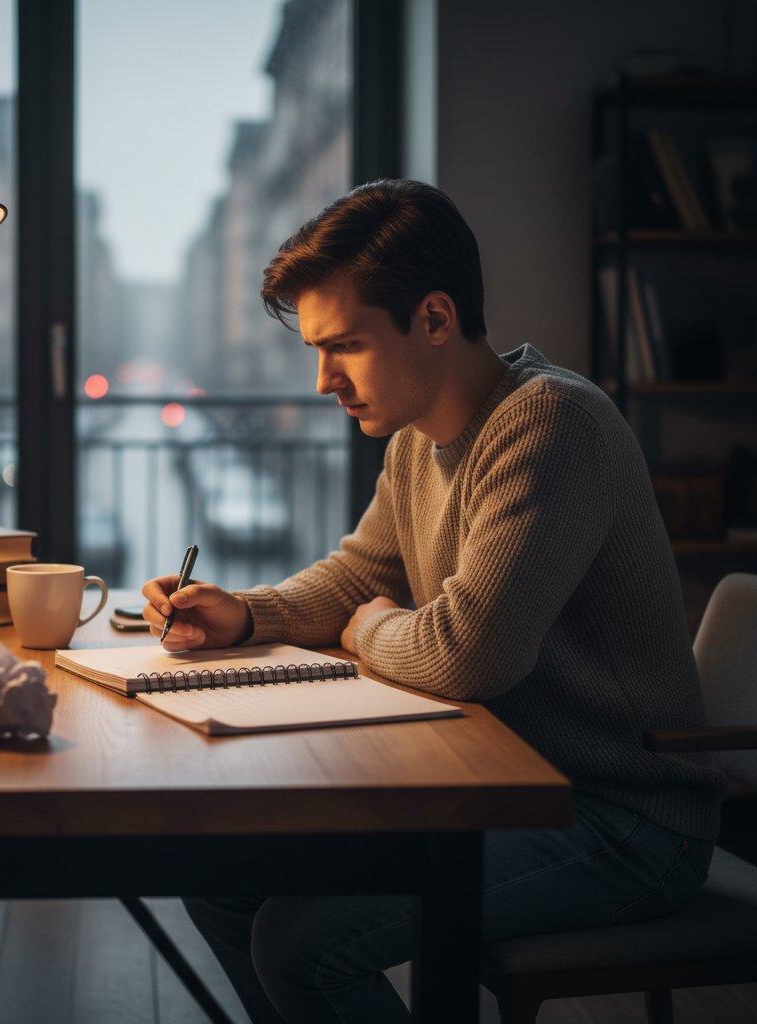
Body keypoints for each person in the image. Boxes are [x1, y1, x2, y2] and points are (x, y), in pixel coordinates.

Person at [141, 179, 725, 1024]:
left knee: (300, 943)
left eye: (344, 345)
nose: (322, 381)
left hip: (621, 818)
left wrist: (372, 625)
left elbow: (466, 654)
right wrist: (246, 613)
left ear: (436, 319)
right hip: (497, 786)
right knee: (224, 882)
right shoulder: (422, 438)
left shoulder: (551, 424)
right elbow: (356, 576)